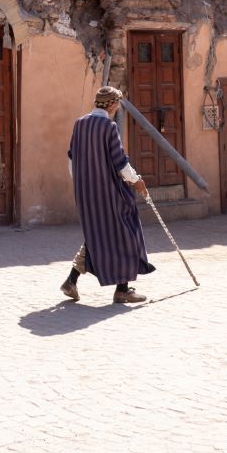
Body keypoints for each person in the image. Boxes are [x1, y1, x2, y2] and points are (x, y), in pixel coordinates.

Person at [60, 86, 156, 304]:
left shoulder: (80, 123)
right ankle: (122, 290)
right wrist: (136, 181)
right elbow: (120, 162)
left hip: (85, 193)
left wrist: (81, 185)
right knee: (127, 232)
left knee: (98, 234)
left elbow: (72, 159)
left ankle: (71, 280)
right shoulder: (108, 127)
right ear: (112, 105)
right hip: (109, 193)